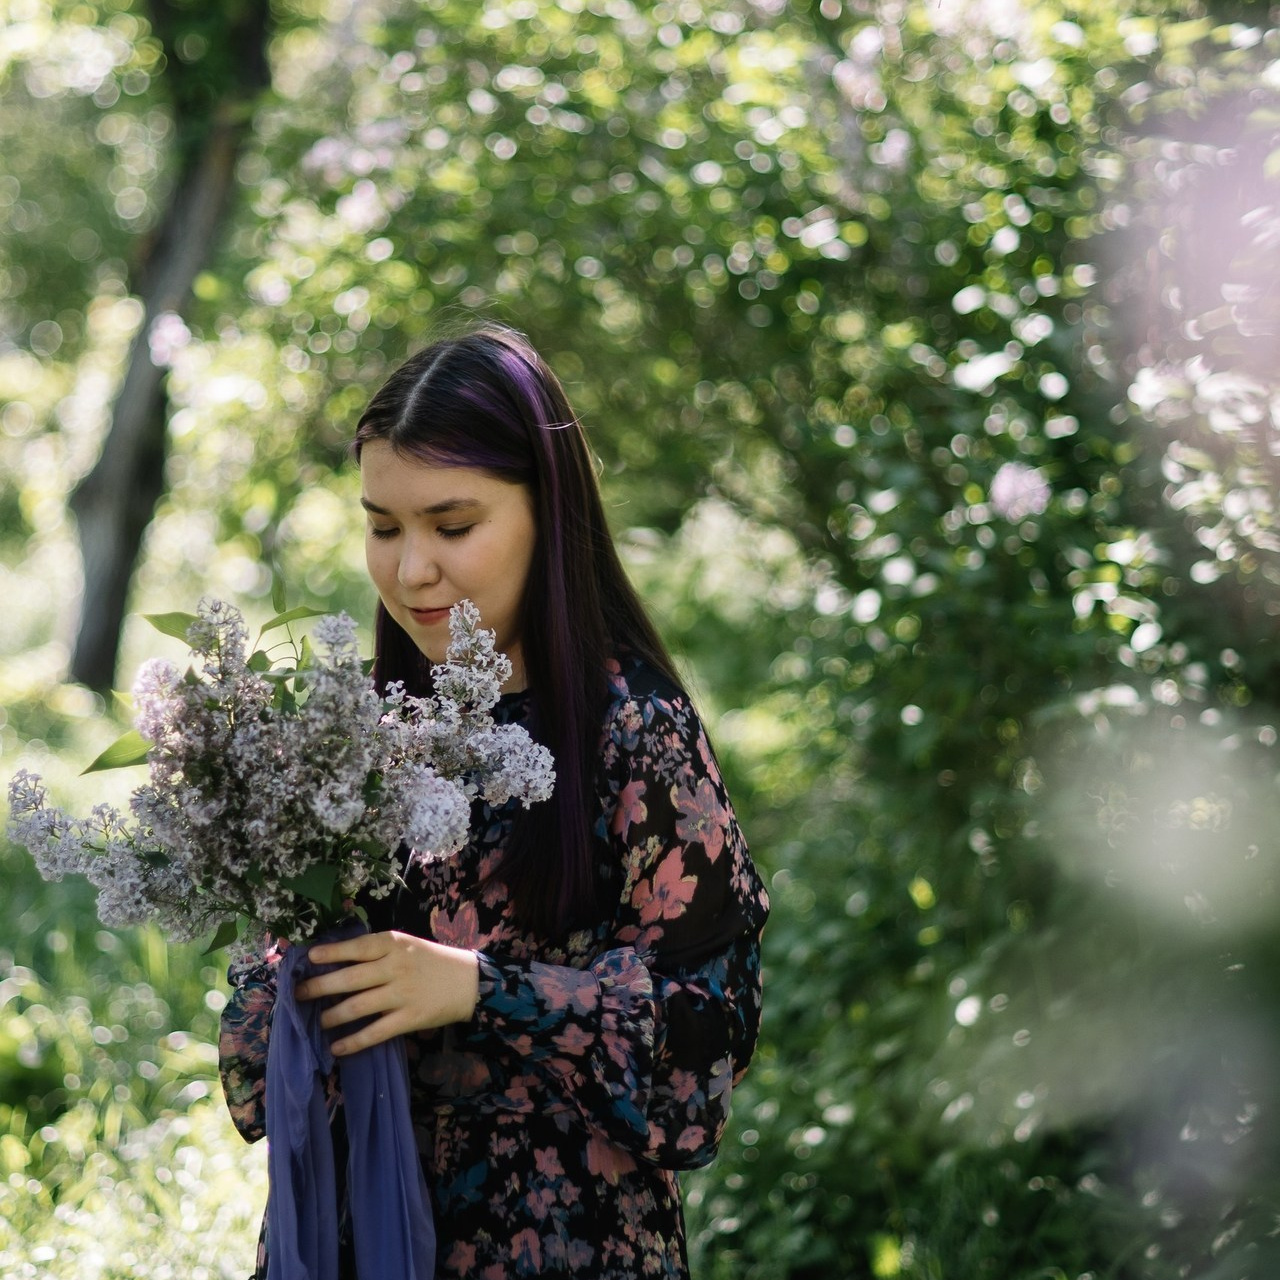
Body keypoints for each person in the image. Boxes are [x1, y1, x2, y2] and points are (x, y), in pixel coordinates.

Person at [218, 324, 770, 1279]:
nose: (410, 570)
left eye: (452, 525)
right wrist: (301, 980)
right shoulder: (357, 737)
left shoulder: (634, 730)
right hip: (348, 1235)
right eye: (383, 527)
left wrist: (479, 989)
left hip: (563, 1245)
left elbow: (702, 1054)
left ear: (548, 513)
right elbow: (253, 1068)